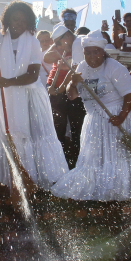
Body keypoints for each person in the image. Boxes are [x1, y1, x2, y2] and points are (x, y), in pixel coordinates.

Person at [51, 30, 131, 201]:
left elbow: (130, 94)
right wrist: (73, 83)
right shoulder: (81, 67)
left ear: (103, 51)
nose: (92, 56)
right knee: (95, 158)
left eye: (96, 52)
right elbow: (71, 95)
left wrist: (121, 116)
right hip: (94, 117)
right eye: (88, 52)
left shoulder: (114, 67)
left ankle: (121, 187)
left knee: (117, 156)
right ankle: (99, 186)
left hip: (116, 115)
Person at [0, 1, 68, 190]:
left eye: (23, 20)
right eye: (15, 19)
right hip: (5, 95)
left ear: (29, 23)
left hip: (28, 96)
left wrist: (9, 81)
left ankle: (33, 179)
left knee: (30, 136)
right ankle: (12, 180)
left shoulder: (33, 42)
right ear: (7, 20)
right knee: (7, 136)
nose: (18, 23)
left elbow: (33, 75)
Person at [44, 24, 86, 168]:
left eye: (59, 42)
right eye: (56, 43)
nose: (58, 46)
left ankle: (78, 163)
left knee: (77, 128)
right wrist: (61, 48)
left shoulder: (79, 43)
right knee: (58, 127)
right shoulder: (64, 45)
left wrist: (58, 90)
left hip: (73, 91)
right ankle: (59, 163)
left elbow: (74, 72)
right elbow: (46, 57)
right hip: (59, 90)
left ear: (67, 36)